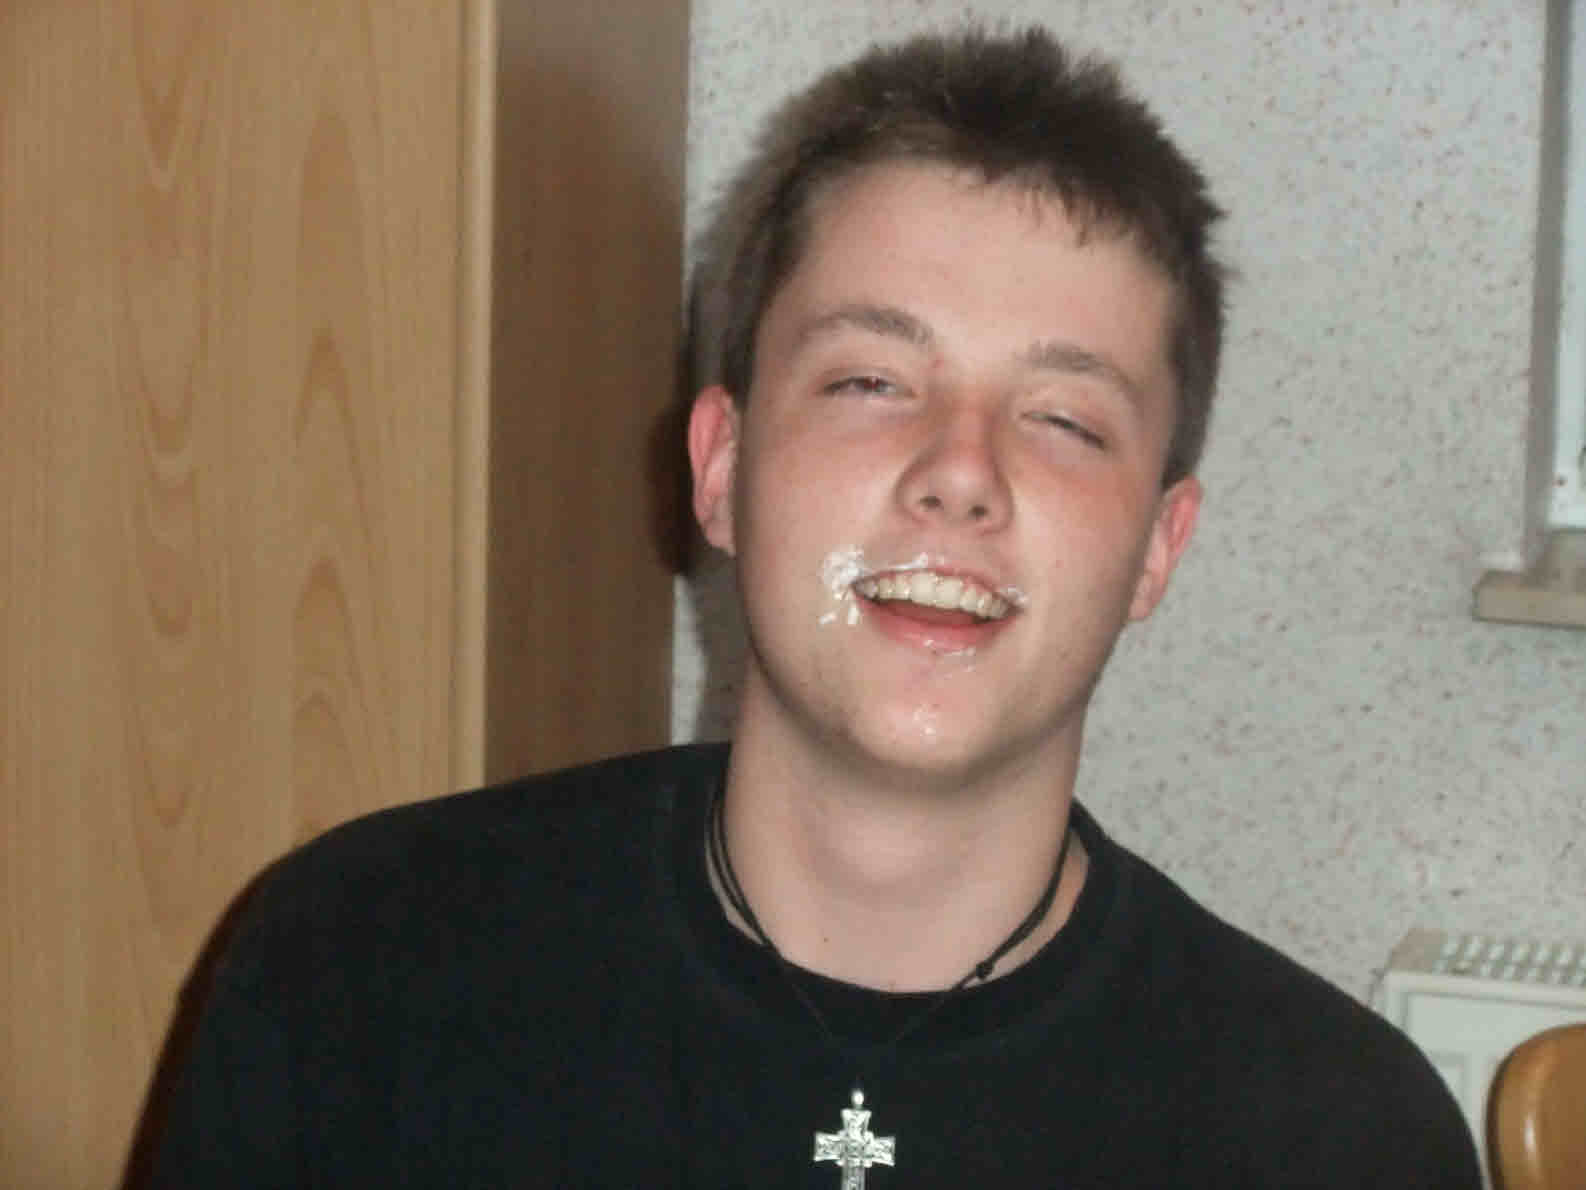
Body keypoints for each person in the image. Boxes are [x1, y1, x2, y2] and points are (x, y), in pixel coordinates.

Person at [147, 27, 1481, 1187]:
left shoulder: (1338, 1138)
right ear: (720, 469)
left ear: (1155, 549)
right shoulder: (355, 975)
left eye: (1065, 419)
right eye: (869, 382)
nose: (960, 471)